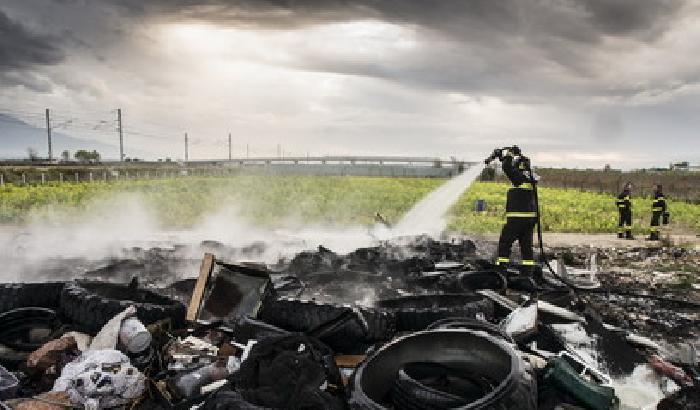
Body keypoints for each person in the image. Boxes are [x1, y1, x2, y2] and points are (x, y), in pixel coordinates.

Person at [489, 146, 538, 277]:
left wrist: (509, 153)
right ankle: (528, 275)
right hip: (529, 220)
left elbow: (507, 168)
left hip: (517, 219)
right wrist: (502, 157)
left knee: (505, 243)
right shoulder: (529, 177)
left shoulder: (519, 176)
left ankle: (501, 271)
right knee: (526, 247)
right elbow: (508, 167)